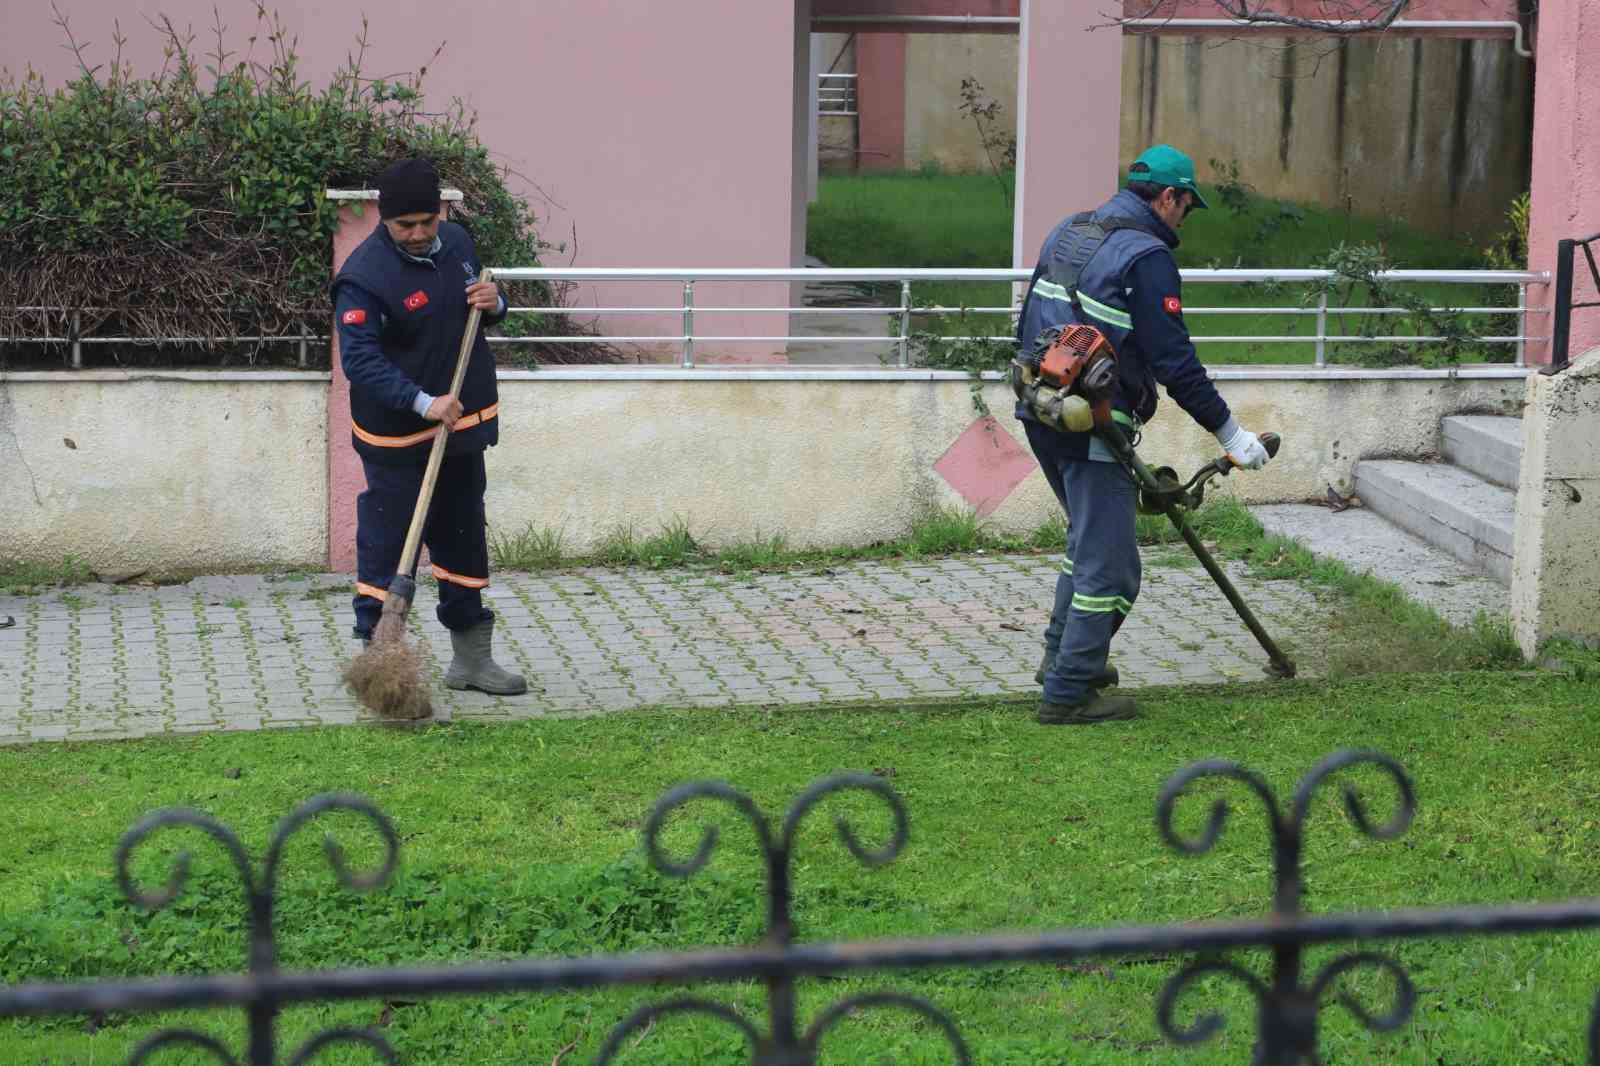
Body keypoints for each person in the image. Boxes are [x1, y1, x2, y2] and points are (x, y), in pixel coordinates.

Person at [1014, 144, 1270, 726]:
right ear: (1168, 197)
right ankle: (1069, 693)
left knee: (1087, 547)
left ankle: (1065, 662)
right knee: (1114, 570)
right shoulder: (1147, 257)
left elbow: (1027, 315)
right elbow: (1174, 360)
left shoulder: (1069, 230)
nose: (1185, 218)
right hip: (1092, 424)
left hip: (1041, 411)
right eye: (1187, 205)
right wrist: (1231, 434)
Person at [331, 157, 526, 696]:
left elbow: (475, 312)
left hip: (462, 428)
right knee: (390, 548)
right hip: (399, 439)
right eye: (405, 225)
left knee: (463, 537)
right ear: (383, 221)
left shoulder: (459, 244)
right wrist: (422, 403)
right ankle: (382, 667)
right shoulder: (364, 278)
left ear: (440, 212)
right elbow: (362, 363)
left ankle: (470, 662)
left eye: (426, 221)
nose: (418, 234)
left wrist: (497, 304)